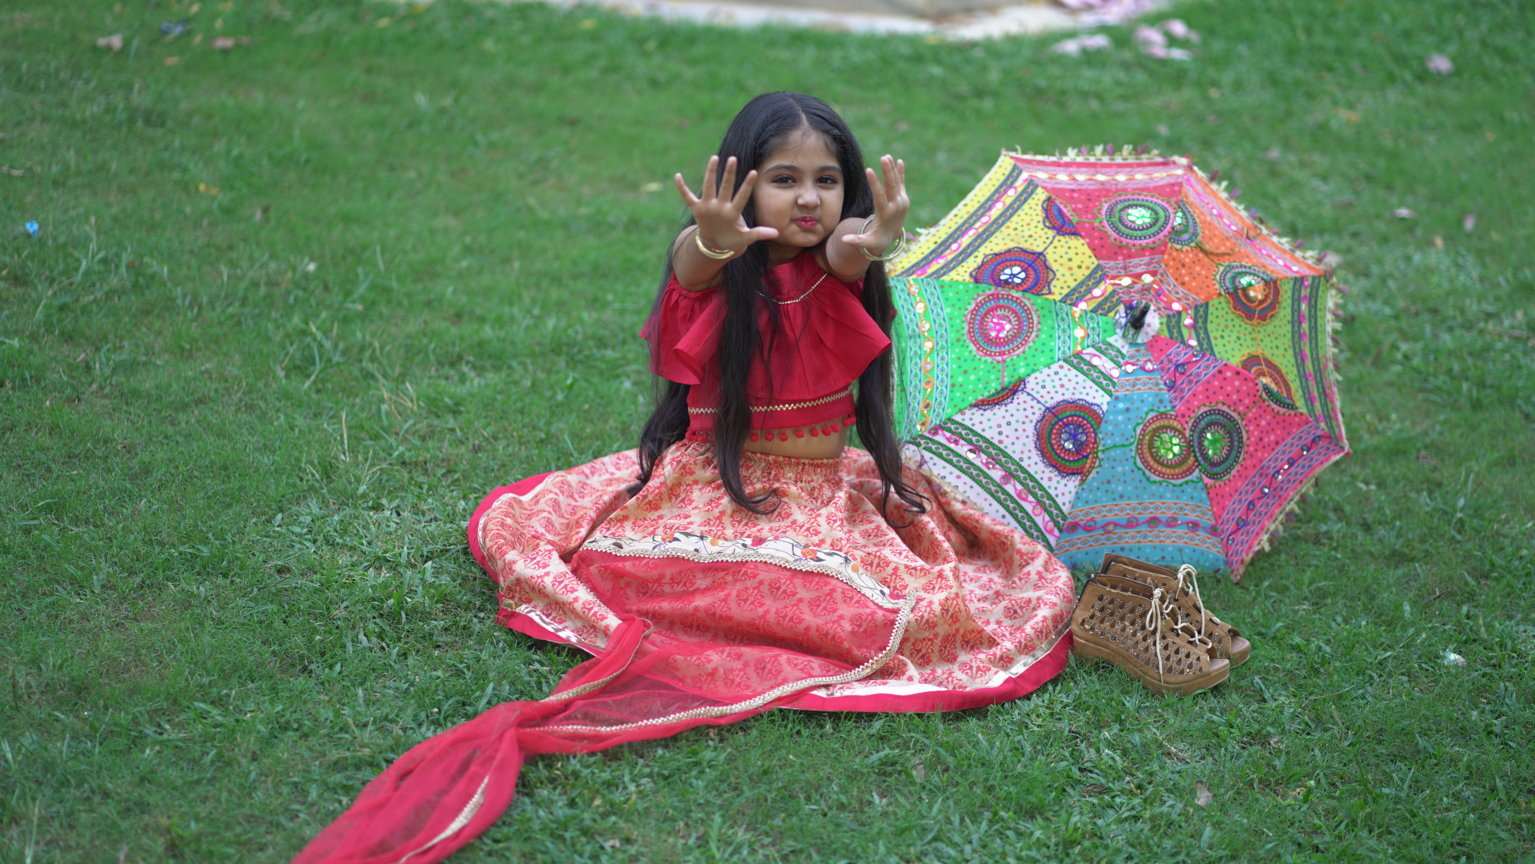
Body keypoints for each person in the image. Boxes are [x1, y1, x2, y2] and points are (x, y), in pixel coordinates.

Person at [295, 92, 1076, 864]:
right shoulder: (717, 269)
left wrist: (872, 239)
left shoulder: (838, 268)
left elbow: (843, 252)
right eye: (784, 178)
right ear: (742, 182)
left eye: (827, 180)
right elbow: (692, 267)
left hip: (823, 492)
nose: (807, 198)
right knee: (707, 584)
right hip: (721, 486)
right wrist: (709, 240)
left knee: (913, 607)